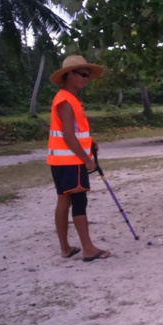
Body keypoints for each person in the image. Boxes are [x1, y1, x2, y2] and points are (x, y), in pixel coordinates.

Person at [47, 55, 111, 262]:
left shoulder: (69, 98)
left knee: (64, 200)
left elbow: (74, 132)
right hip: (70, 161)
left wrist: (89, 144)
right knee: (78, 201)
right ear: (68, 75)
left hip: (62, 161)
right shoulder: (65, 100)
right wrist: (86, 159)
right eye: (82, 74)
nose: (86, 79)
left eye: (87, 75)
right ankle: (88, 249)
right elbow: (67, 135)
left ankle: (66, 248)